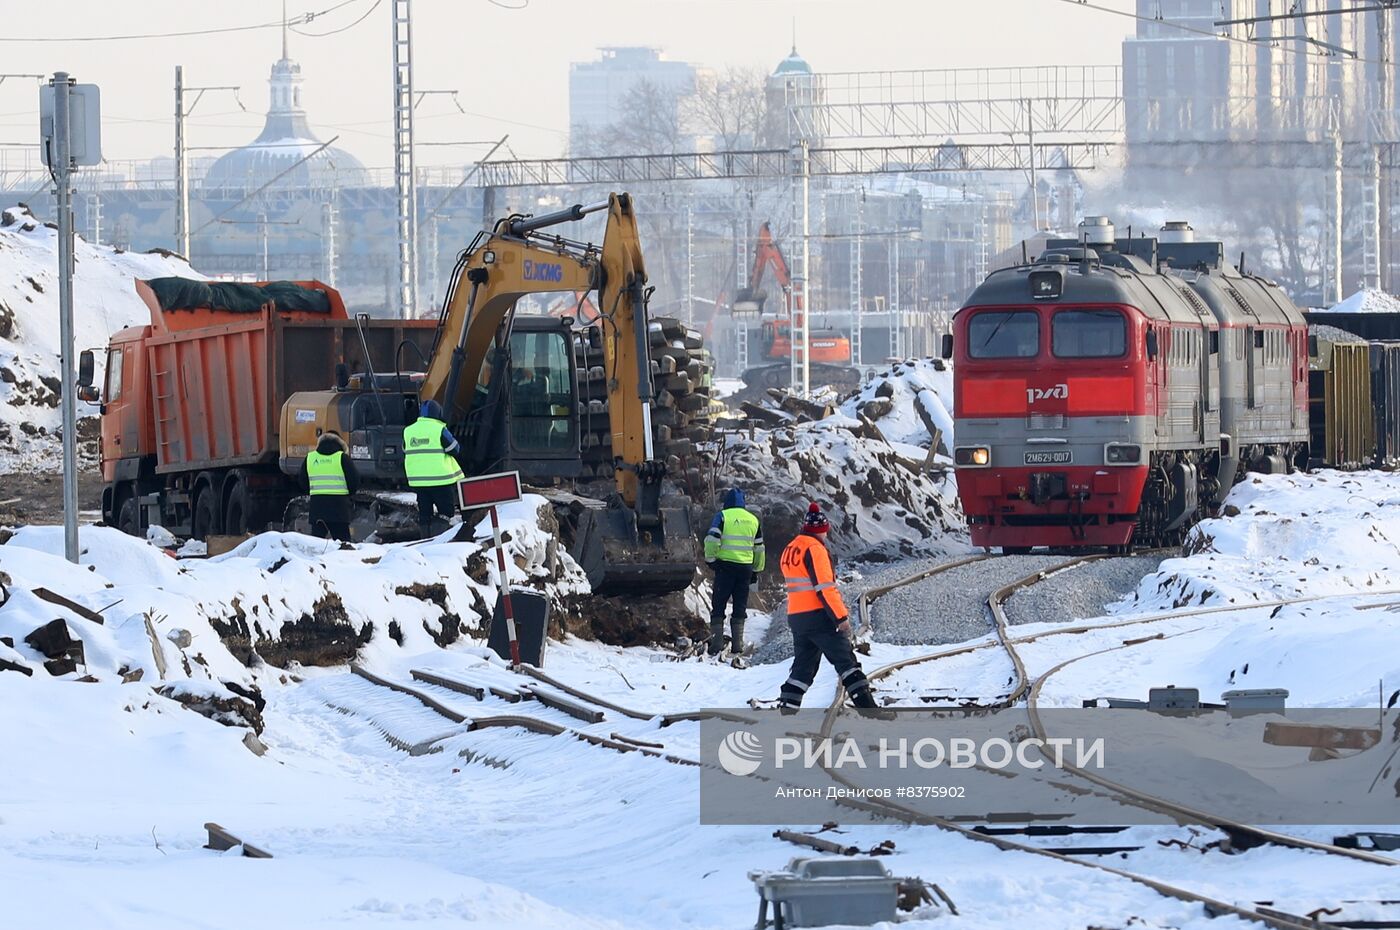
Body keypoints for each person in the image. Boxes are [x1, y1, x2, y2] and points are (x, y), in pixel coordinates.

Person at [778, 502, 879, 713]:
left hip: (796, 616)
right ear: (823, 530)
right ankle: (870, 711)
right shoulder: (815, 549)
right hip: (818, 616)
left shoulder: (791, 548)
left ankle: (786, 709)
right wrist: (841, 618)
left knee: (803, 668)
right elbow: (825, 588)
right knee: (846, 662)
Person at [704, 488, 765, 657]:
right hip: (745, 568)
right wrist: (756, 570)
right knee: (740, 606)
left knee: (719, 604)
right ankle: (737, 645)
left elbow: (712, 540)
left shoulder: (723, 516)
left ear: (727, 502)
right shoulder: (753, 520)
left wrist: (711, 560)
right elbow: (759, 549)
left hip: (725, 567)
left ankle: (716, 645)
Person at [402, 399, 465, 539]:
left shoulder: (408, 431)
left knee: (425, 514)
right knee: (446, 512)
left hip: (419, 482)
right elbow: (455, 449)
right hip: (441, 481)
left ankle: (425, 540)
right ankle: (438, 541)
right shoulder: (439, 429)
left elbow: (406, 450)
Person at [302, 431, 360, 542]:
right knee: (343, 544)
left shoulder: (310, 458)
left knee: (316, 544)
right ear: (340, 444)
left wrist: (315, 492)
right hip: (339, 509)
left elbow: (303, 482)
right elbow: (354, 481)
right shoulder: (342, 458)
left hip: (317, 508)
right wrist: (348, 495)